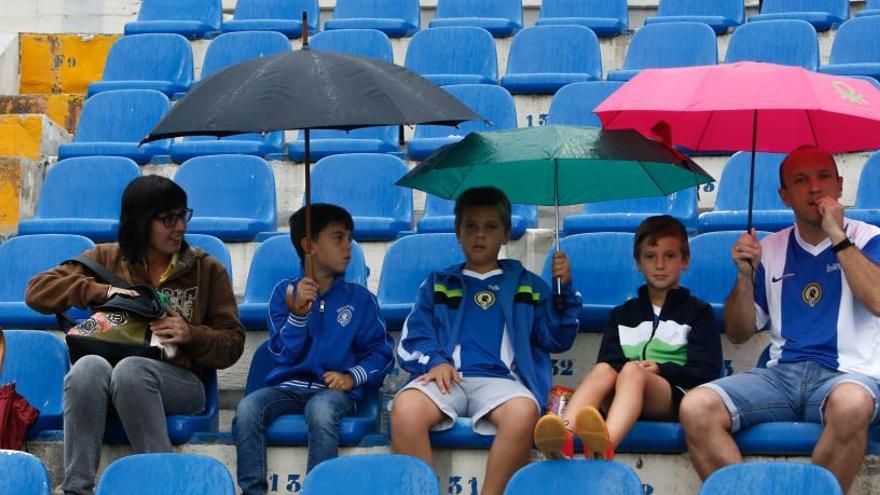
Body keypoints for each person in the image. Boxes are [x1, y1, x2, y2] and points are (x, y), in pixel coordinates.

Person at [25, 175, 245, 495]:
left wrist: (191, 334)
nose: (180, 227)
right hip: (108, 383)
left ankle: (160, 485)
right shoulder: (105, 258)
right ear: (141, 222)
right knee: (86, 367)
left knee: (132, 370)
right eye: (168, 219)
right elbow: (37, 292)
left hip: (181, 383)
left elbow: (233, 343)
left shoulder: (206, 269)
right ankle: (77, 488)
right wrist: (103, 290)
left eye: (183, 215)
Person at [679, 146, 880, 492]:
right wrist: (744, 278)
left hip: (847, 375)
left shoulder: (868, 238)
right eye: (801, 180)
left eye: (823, 177)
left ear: (840, 184)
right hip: (780, 376)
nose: (815, 188)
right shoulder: (770, 249)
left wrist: (838, 236)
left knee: (853, 405)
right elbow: (741, 332)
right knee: (696, 408)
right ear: (784, 196)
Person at [391, 187, 581, 495]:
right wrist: (436, 360)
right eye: (471, 226)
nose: (480, 235)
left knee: (523, 414)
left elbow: (556, 338)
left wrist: (564, 292)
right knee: (405, 409)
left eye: (491, 227)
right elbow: (416, 334)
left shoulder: (529, 286)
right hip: (446, 379)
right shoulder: (438, 283)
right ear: (457, 231)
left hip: (502, 383)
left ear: (506, 233)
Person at [232, 203, 393, 494]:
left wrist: (351, 377)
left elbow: (382, 354)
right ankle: (252, 490)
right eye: (338, 237)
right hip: (287, 388)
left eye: (350, 237)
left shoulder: (361, 300)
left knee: (320, 410)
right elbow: (281, 353)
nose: (348, 246)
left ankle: (318, 489)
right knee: (246, 409)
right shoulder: (285, 294)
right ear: (310, 245)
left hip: (334, 392)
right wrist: (298, 315)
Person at [534, 215, 722, 460]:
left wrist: (659, 368)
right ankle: (564, 436)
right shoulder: (623, 314)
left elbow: (706, 371)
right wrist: (629, 371)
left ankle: (605, 444)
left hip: (669, 398)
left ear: (685, 261)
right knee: (604, 369)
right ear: (638, 262)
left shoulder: (698, 312)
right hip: (621, 395)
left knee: (633, 372)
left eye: (670, 256)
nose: (660, 265)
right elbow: (608, 362)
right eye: (650, 257)